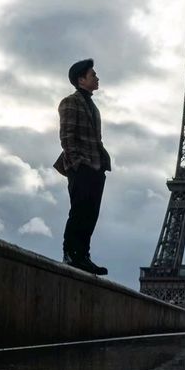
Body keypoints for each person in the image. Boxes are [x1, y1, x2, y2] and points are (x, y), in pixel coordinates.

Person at [54, 59, 111, 275]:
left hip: (96, 167)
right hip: (82, 166)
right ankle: (71, 254)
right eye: (93, 75)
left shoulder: (92, 106)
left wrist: (101, 166)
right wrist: (77, 163)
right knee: (79, 211)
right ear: (81, 79)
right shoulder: (70, 102)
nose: (96, 78)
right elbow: (67, 136)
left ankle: (83, 255)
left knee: (91, 213)